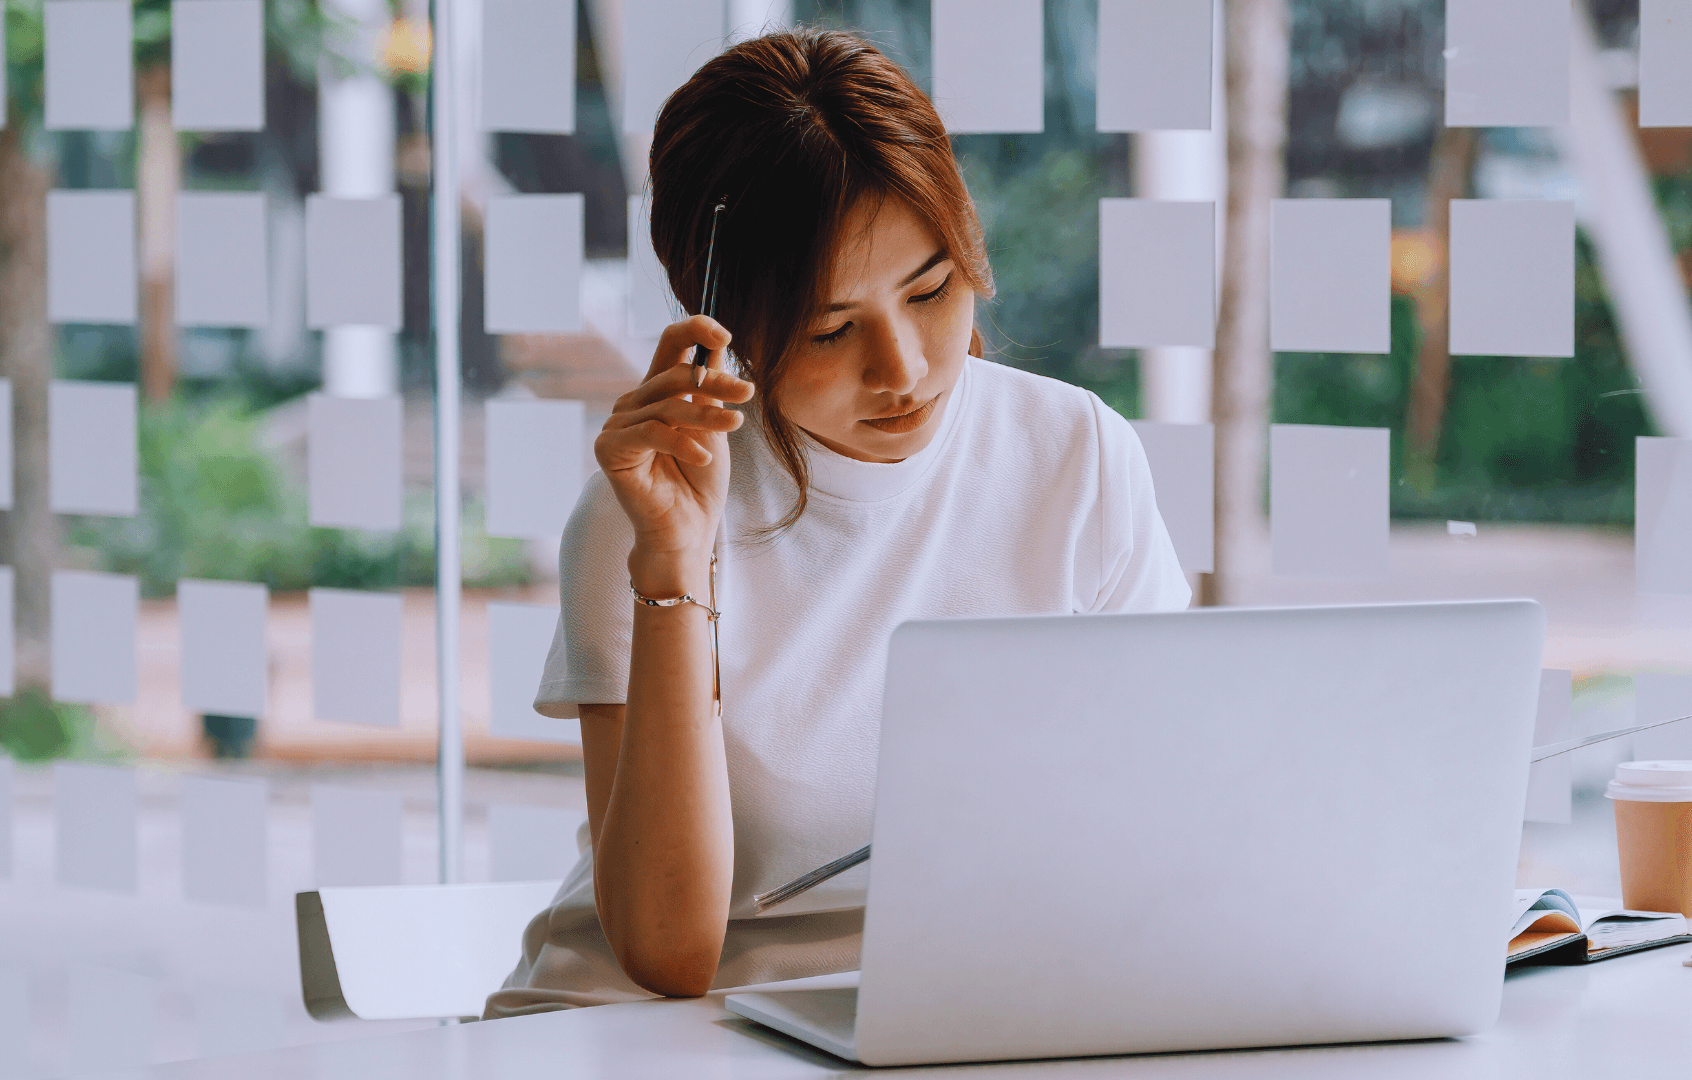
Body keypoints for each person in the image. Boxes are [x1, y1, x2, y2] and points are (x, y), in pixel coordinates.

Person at [484, 27, 1190, 1017]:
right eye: (831, 329)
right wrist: (675, 566)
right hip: (661, 1029)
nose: (901, 369)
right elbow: (669, 952)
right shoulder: (651, 510)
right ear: (724, 325)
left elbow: (1175, 817)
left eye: (932, 287)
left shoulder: (1075, 454)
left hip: (954, 1012)